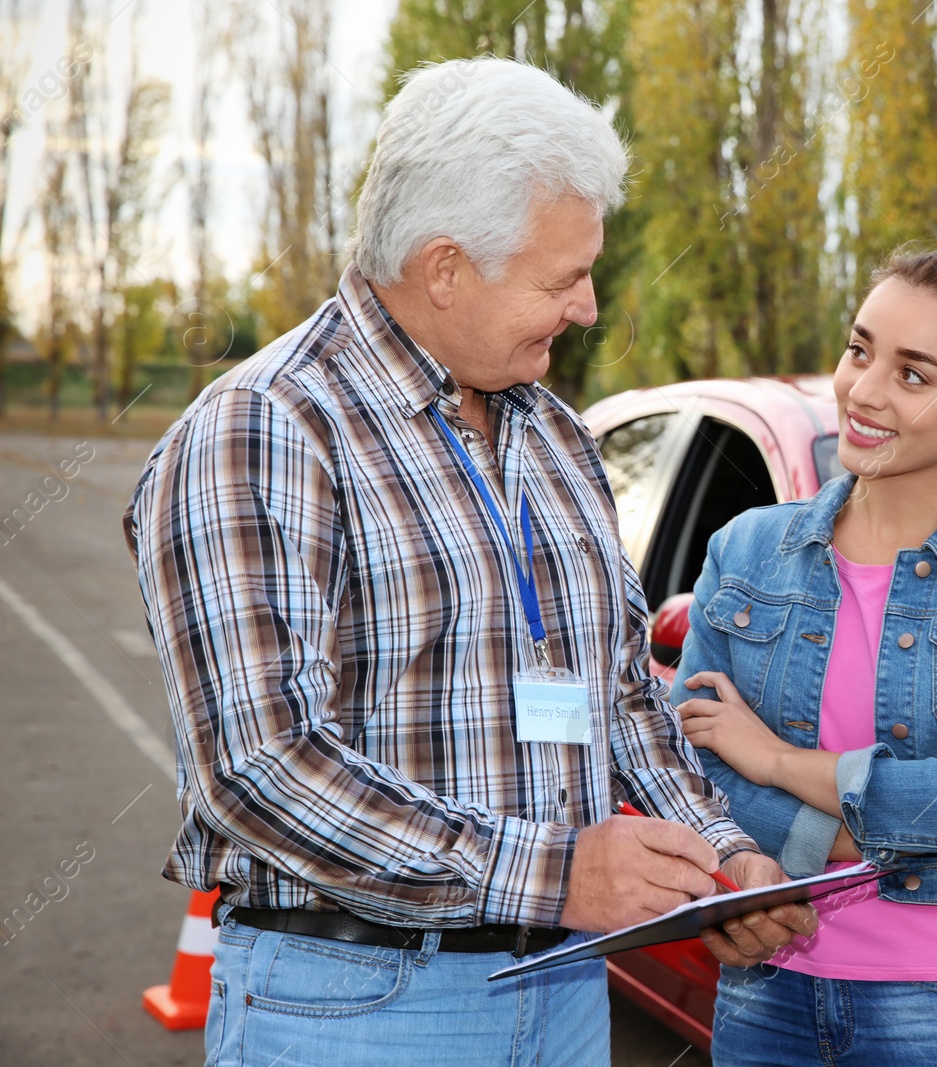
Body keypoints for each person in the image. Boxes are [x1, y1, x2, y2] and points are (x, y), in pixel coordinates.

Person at [124, 57, 811, 1067]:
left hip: (565, 991)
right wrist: (555, 874)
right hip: (360, 1008)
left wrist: (724, 858)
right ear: (446, 267)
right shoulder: (264, 430)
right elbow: (258, 768)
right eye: (563, 277)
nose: (585, 308)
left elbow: (620, 702)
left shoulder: (557, 437)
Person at [671, 247, 937, 1066]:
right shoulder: (745, 550)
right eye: (860, 350)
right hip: (766, 984)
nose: (864, 392)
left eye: (914, 374)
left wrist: (777, 759)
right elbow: (688, 768)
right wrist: (893, 821)